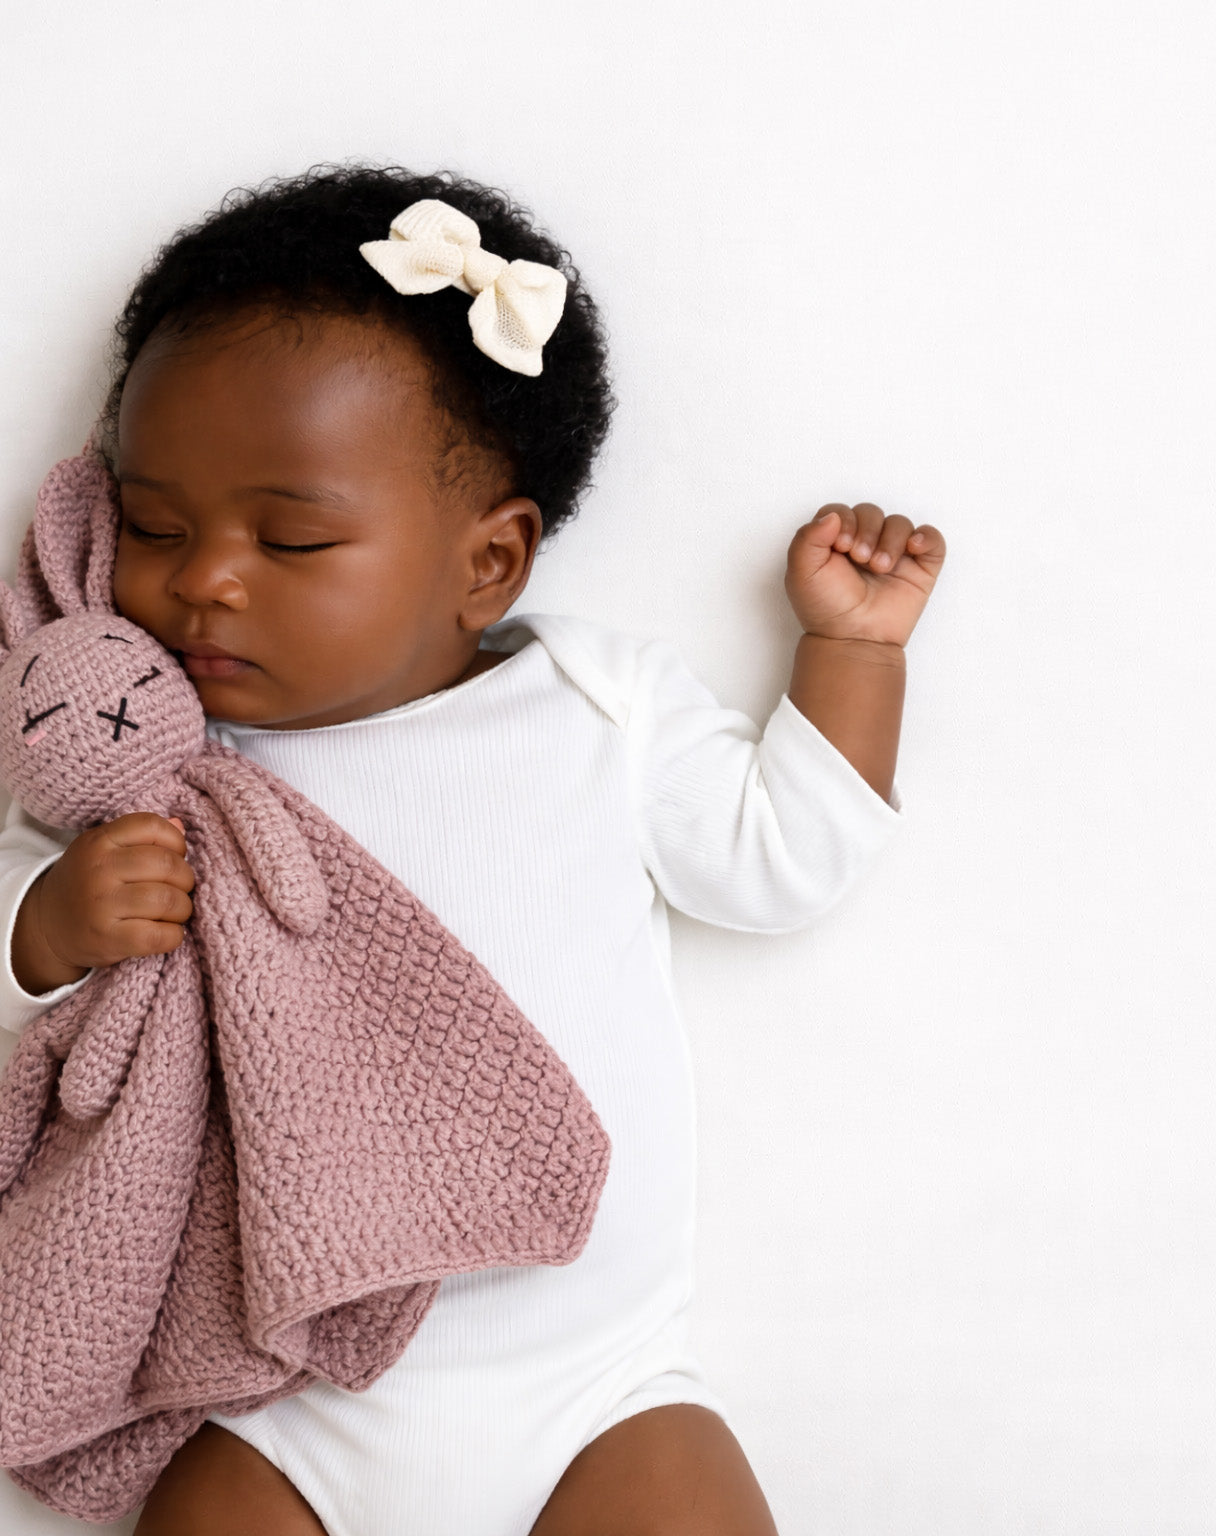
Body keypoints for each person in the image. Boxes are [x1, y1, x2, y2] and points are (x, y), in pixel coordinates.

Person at [0, 163, 945, 1536]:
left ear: (487, 566)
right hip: (290, 1395)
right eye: (154, 527)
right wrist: (51, 926)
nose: (204, 576)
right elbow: (52, 982)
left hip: (597, 1387)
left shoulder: (589, 709)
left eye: (292, 535)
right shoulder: (168, 759)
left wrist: (850, 654)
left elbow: (779, 860)